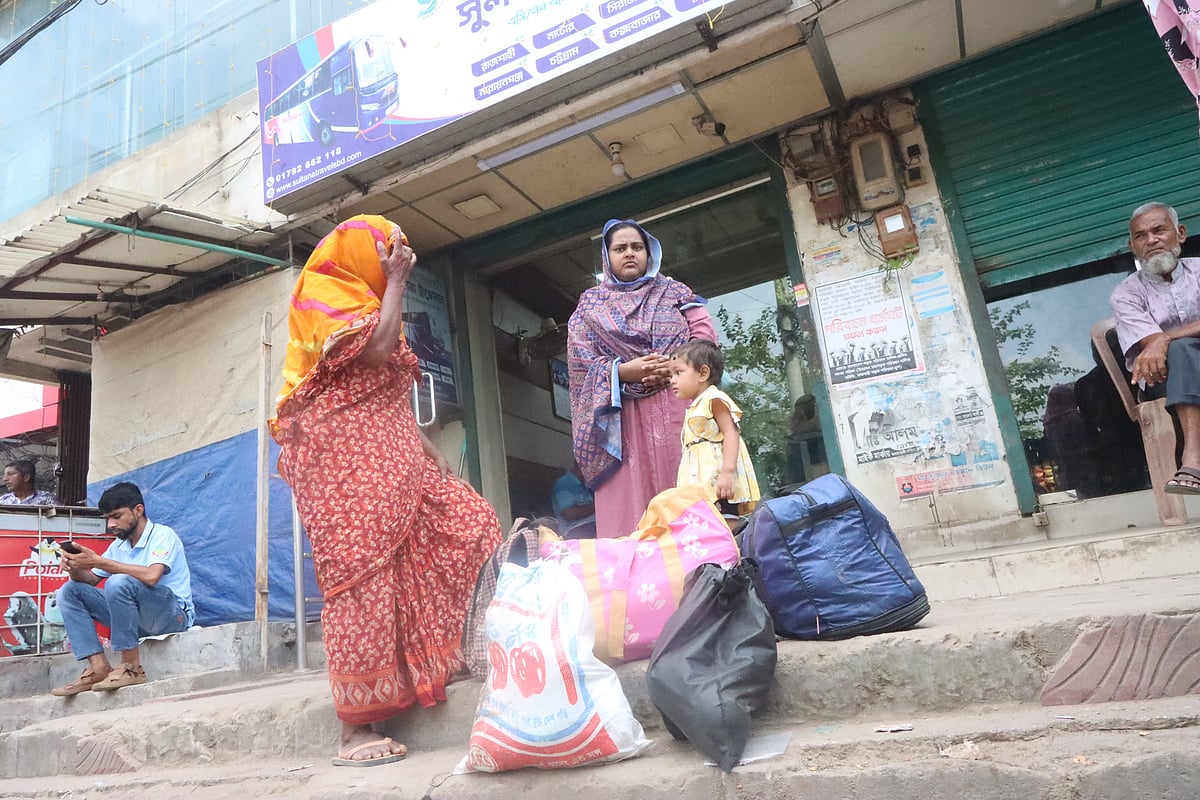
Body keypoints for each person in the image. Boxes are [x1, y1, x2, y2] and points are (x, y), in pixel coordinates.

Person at [271, 215, 501, 767]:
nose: (400, 257)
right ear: (362, 251)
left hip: (396, 451)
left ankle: (446, 654)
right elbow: (372, 355)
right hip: (343, 463)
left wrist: (426, 446)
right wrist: (397, 281)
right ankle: (356, 729)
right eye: (390, 250)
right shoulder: (323, 289)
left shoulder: (377, 303)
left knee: (471, 523)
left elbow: (388, 388)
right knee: (364, 579)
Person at [568, 219, 717, 537]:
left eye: (637, 247)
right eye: (620, 248)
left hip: (677, 411)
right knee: (630, 519)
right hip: (619, 423)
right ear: (608, 258)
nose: (629, 254)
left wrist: (677, 367)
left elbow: (705, 341)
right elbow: (581, 364)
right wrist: (621, 372)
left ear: (649, 253)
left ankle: (703, 578)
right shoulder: (589, 307)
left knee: (686, 501)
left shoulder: (675, 293)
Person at [50, 482, 193, 696]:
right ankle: (98, 667)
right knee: (69, 591)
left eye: (116, 516)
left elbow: (152, 576)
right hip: (137, 620)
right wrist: (74, 567)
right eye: (108, 518)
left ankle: (131, 666)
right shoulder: (119, 545)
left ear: (138, 510)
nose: (110, 524)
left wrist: (100, 562)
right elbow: (89, 581)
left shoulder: (163, 535)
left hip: (172, 617)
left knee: (118, 582)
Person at [1110, 201, 1200, 494]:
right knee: (1182, 350)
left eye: (1159, 230)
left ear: (1181, 233)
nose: (1151, 241)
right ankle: (1193, 459)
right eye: (1140, 236)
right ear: (1133, 246)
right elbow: (1153, 348)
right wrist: (1161, 341)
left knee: (1176, 345)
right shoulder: (1125, 294)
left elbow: (1160, 340)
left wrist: (1164, 337)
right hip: (1165, 378)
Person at [668, 339, 760, 522]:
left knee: (726, 521)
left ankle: (733, 549)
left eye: (678, 373)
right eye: (671, 375)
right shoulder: (695, 406)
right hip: (701, 484)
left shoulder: (714, 399)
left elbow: (731, 433)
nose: (672, 380)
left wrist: (727, 472)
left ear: (703, 373)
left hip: (718, 481)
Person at [550, 461, 596, 539]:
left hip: (592, 526)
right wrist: (598, 505)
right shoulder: (564, 484)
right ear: (581, 464)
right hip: (574, 530)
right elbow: (570, 514)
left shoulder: (588, 484)